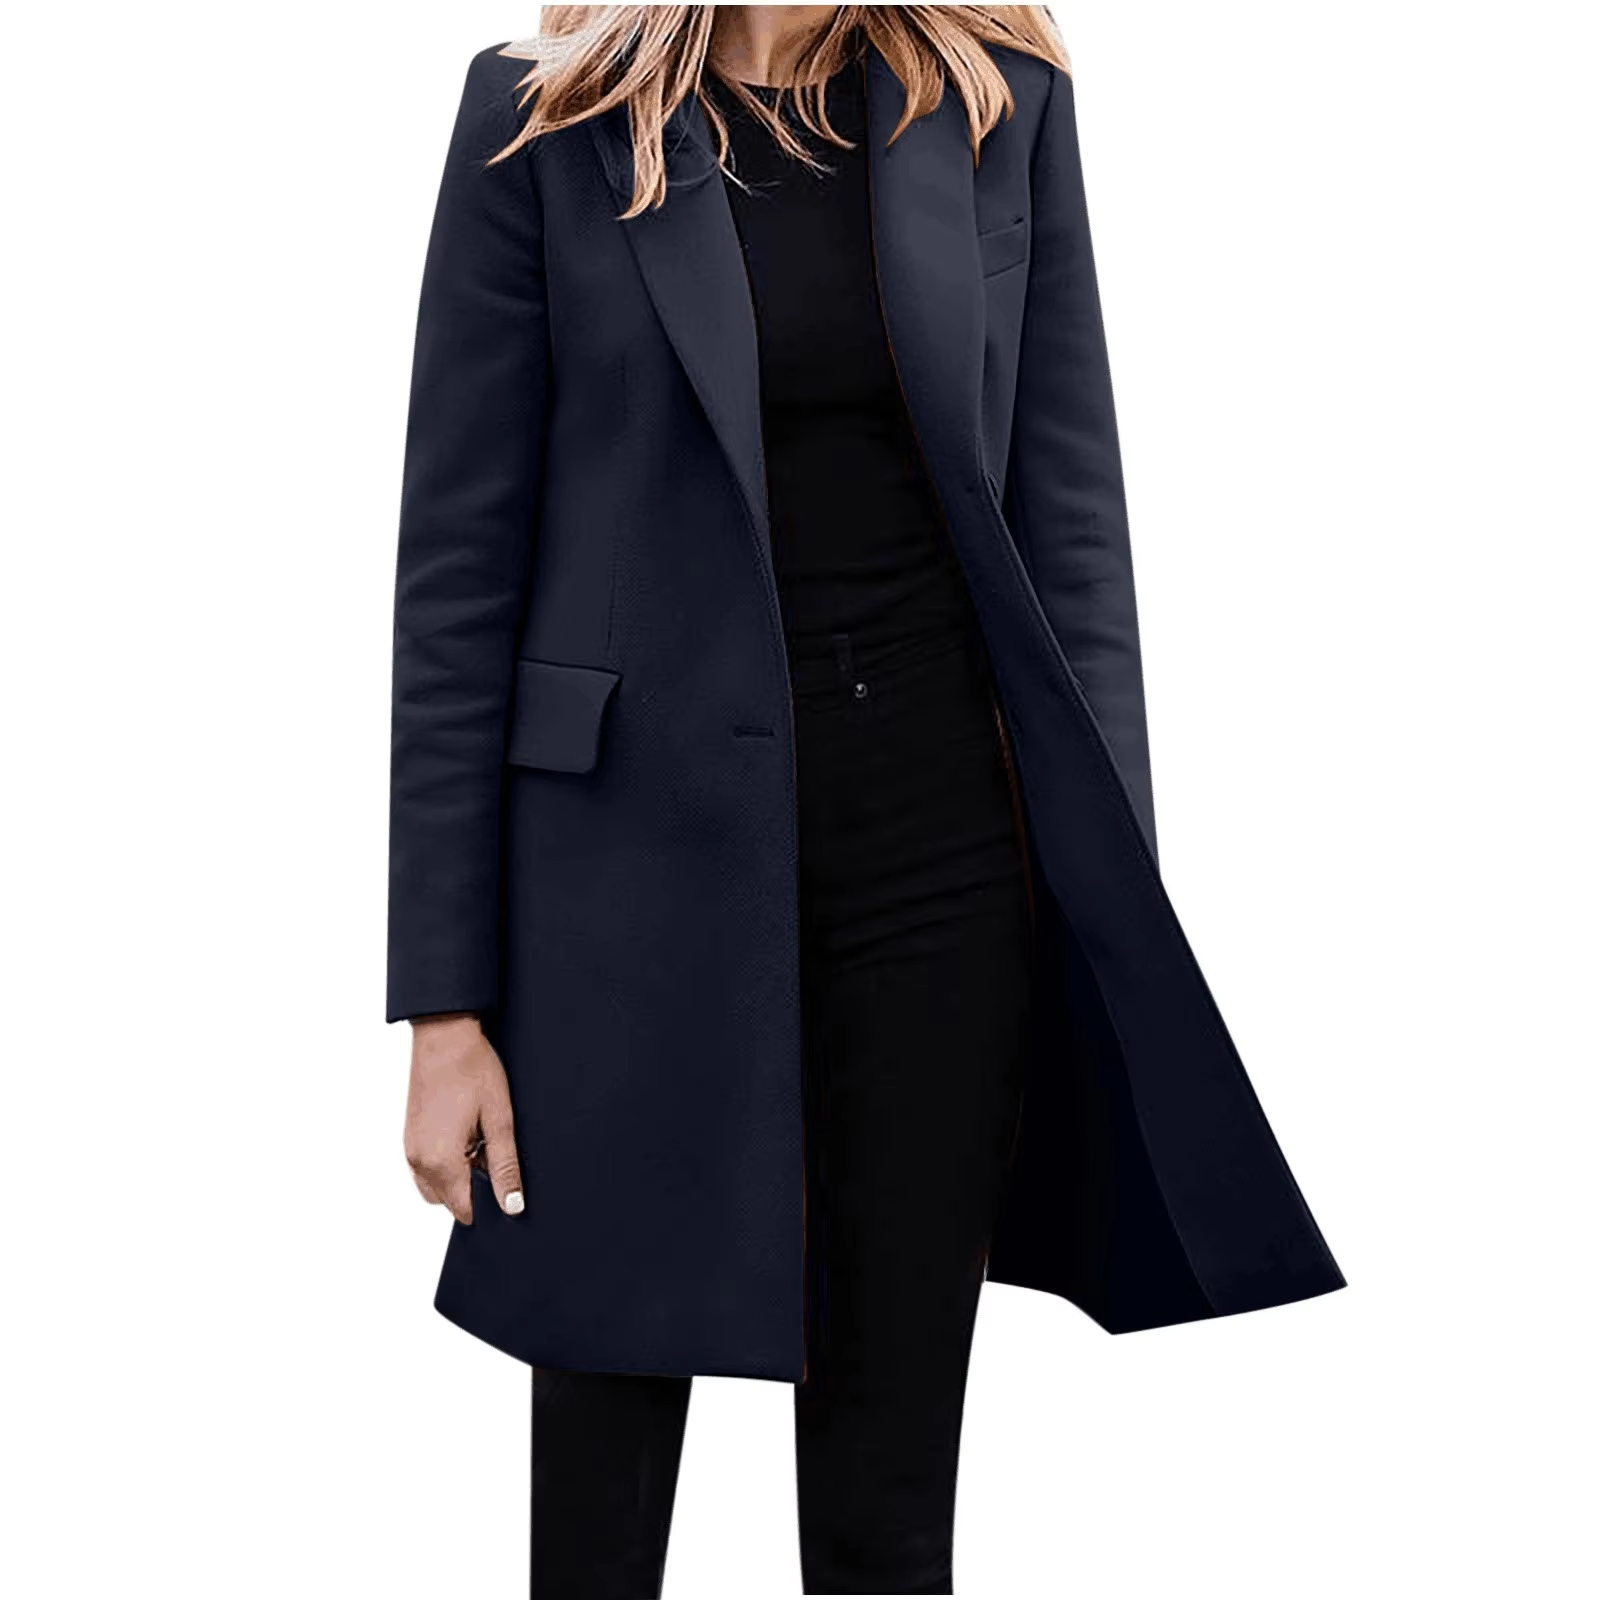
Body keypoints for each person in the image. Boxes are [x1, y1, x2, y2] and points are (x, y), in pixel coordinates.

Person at [388, 6, 1344, 1594]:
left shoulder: (995, 101)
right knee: (601, 1487)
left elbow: (1070, 521)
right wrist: (445, 1003)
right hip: (620, 881)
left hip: (938, 861)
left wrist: (1105, 905)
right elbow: (456, 576)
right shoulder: (544, 117)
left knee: (890, 1504)